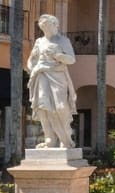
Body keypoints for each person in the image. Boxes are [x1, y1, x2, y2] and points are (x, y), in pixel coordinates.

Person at [28, 14, 78, 149]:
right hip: (42, 74)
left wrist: (59, 56)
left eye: (48, 26)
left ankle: (65, 137)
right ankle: (49, 138)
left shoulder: (63, 41)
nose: (46, 28)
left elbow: (72, 59)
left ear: (55, 25)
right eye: (43, 26)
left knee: (61, 107)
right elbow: (32, 59)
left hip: (58, 75)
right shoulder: (39, 42)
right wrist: (33, 68)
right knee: (43, 107)